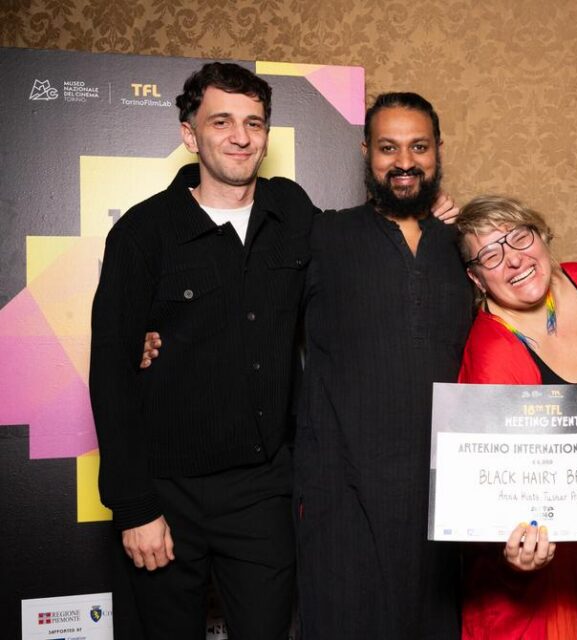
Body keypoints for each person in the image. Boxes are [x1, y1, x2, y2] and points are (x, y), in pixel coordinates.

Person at [89, 62, 316, 639]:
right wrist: (135, 507)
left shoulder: (292, 212)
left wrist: (423, 220)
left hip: (263, 490)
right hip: (167, 494)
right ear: (190, 135)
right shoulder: (143, 233)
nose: (241, 136)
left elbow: (353, 253)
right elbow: (111, 376)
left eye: (254, 123)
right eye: (222, 121)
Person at [293, 92, 474, 638]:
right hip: (344, 492)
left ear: (438, 150)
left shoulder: (467, 243)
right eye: (388, 148)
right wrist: (160, 337)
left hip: (445, 492)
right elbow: (253, 318)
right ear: (365, 152)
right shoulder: (324, 235)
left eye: (419, 147)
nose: (404, 162)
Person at [456, 195, 577, 639]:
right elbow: (486, 496)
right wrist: (513, 552)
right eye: (491, 255)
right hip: (541, 580)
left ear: (542, 234)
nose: (514, 259)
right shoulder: (493, 353)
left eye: (520, 237)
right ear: (476, 278)